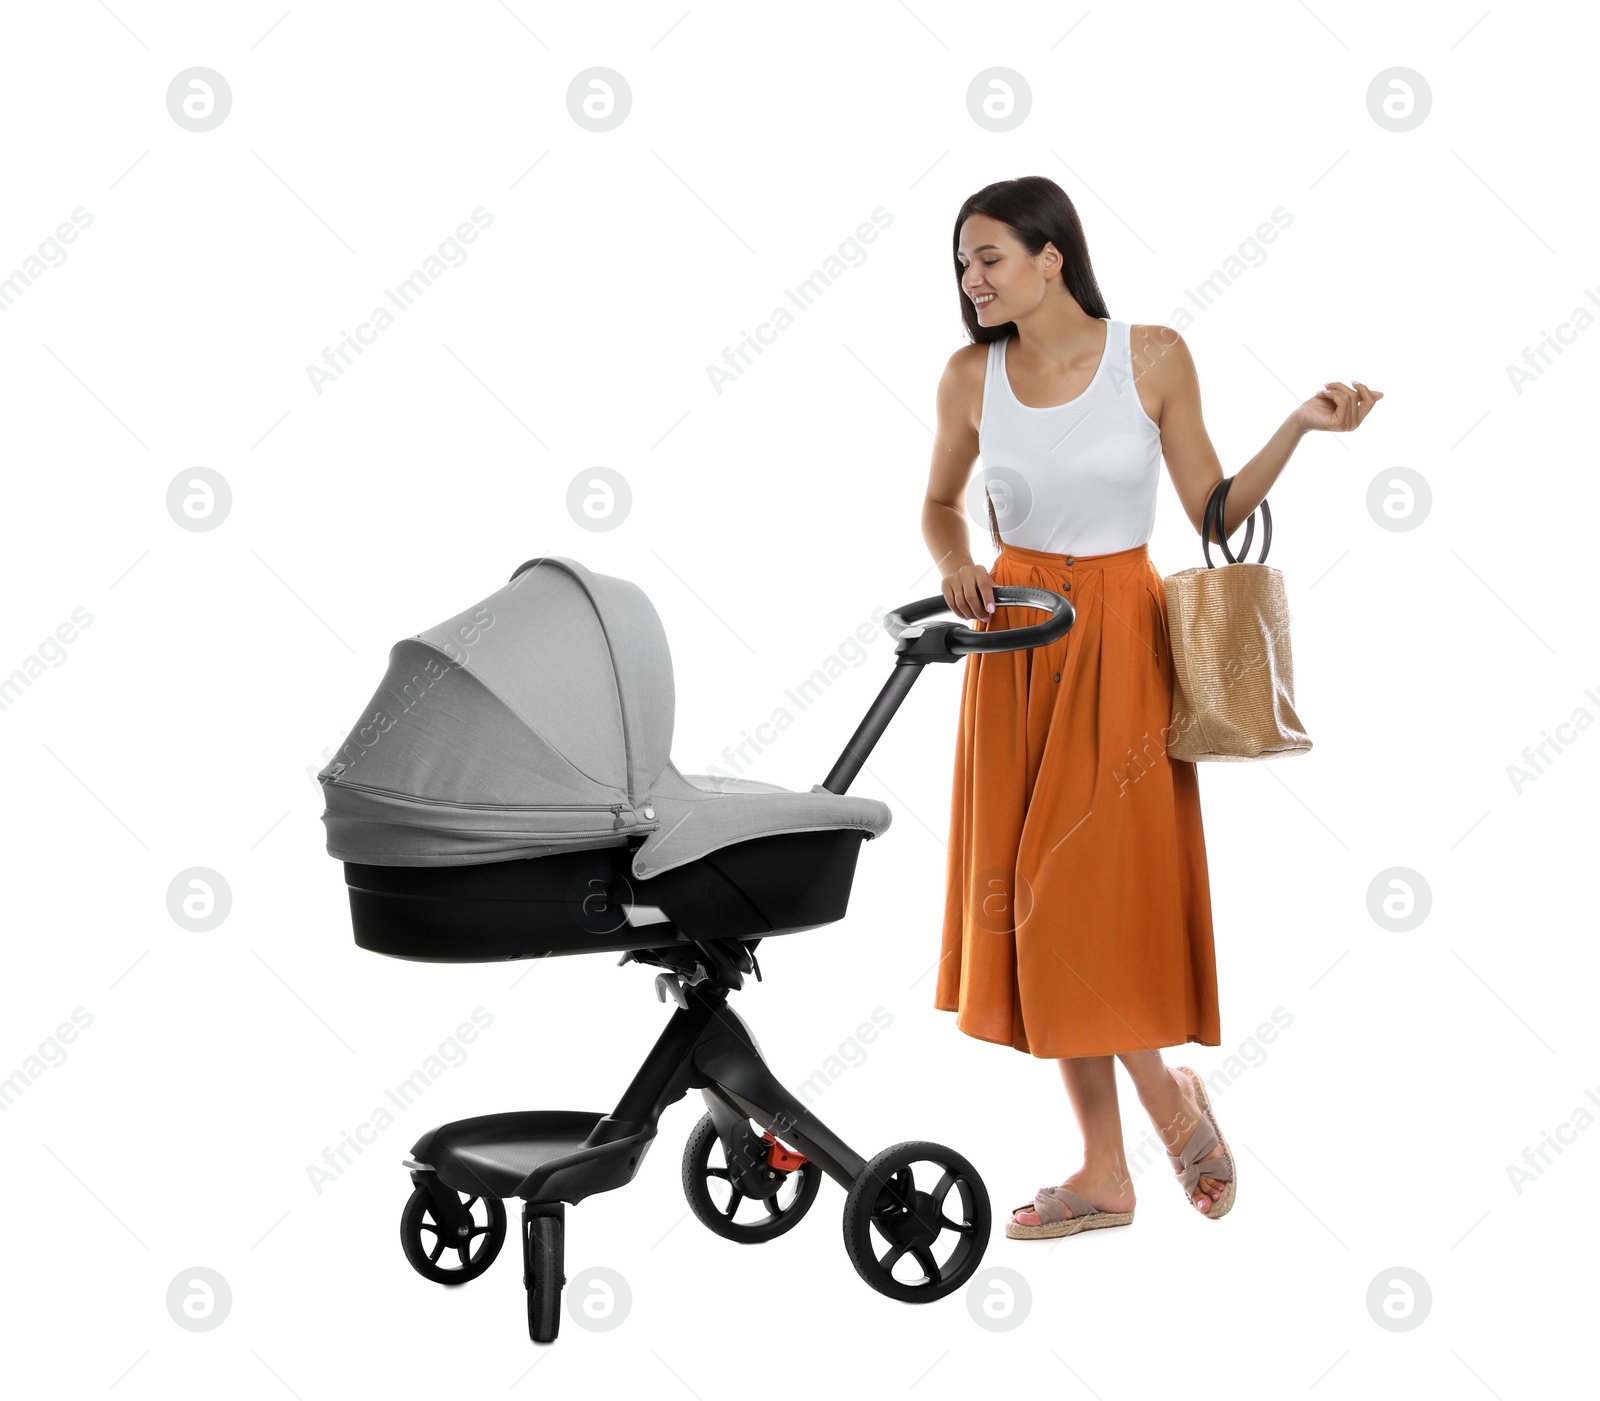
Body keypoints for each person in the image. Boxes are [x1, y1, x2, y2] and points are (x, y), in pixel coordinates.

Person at [921, 176, 1381, 1239]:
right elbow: (939, 502)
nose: (971, 279)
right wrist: (956, 563)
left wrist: (1300, 429)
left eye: (989, 256)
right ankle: (1107, 1165)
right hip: (1014, 642)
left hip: (1120, 642)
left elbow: (1213, 513)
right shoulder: (966, 376)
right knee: (1029, 903)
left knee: (1082, 894)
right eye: (960, 263)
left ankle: (1150, 1125)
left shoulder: (1154, 356)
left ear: (1052, 257)